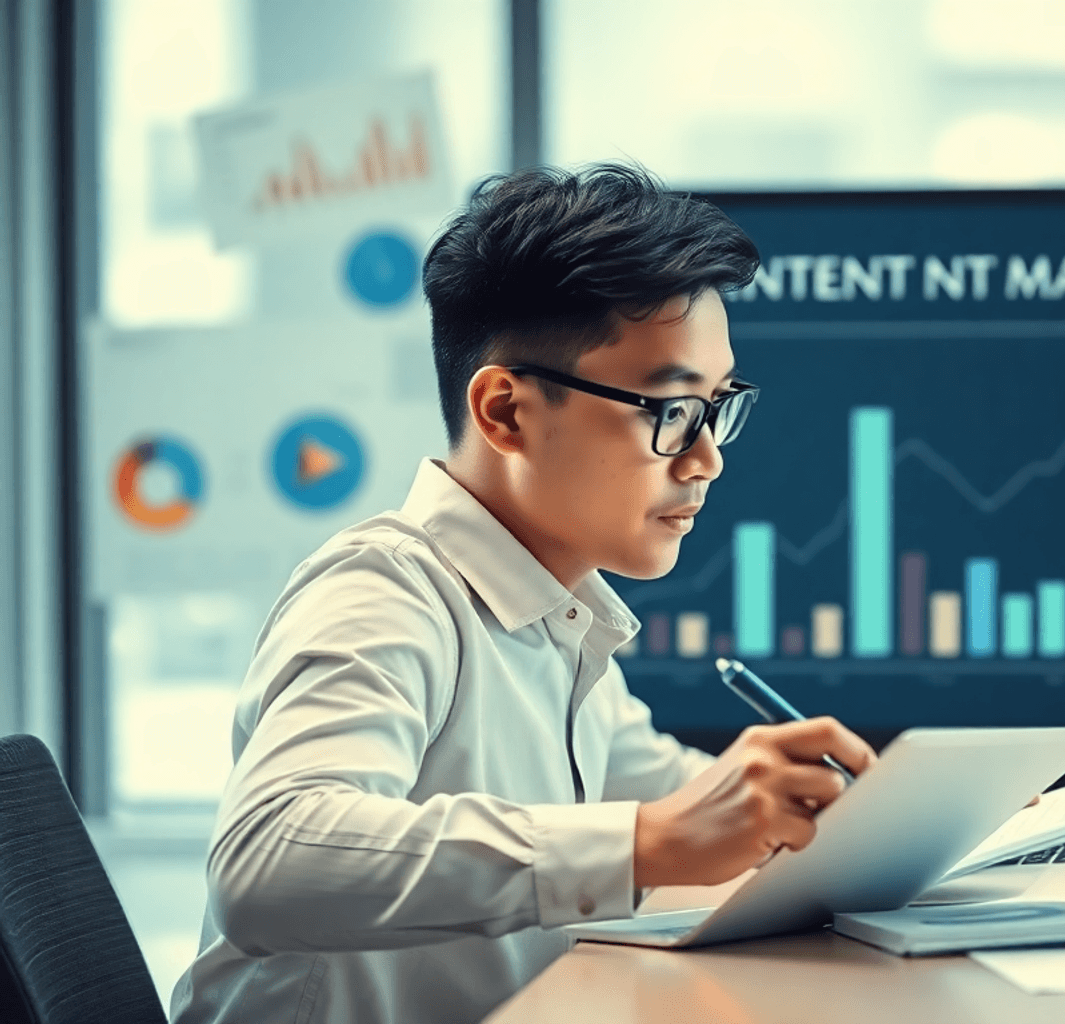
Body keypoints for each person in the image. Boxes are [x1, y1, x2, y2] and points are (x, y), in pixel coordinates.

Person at [170, 164, 876, 1024]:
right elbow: (268, 861)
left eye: (717, 406)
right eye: (670, 409)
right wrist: (649, 842)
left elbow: (677, 792)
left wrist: (882, 816)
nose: (706, 458)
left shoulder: (557, 619)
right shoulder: (388, 589)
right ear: (505, 412)